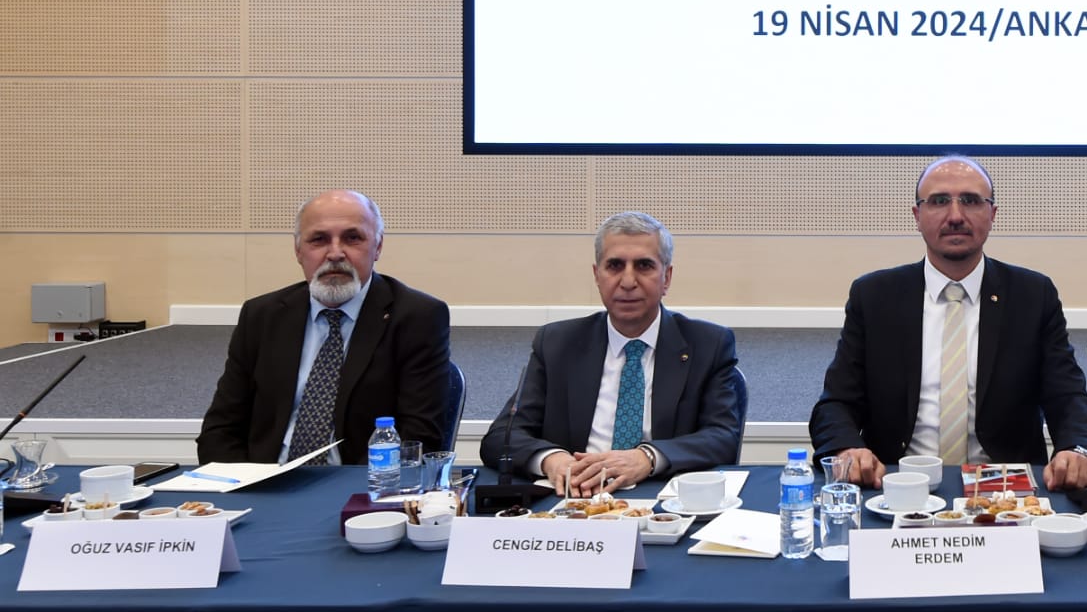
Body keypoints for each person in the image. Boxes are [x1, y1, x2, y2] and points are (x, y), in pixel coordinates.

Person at [809, 154, 1087, 490]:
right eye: (938, 201)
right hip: (898, 486)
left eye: (971, 201)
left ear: (992, 215)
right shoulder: (875, 296)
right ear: (917, 216)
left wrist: (1079, 449)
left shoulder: (1032, 295)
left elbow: (1068, 395)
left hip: (1006, 493)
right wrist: (847, 449)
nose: (955, 216)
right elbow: (836, 403)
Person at [480, 212, 743, 497]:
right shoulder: (557, 343)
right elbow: (501, 437)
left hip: (662, 499)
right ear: (597, 275)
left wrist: (647, 457)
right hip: (574, 498)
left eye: (644, 266)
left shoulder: (708, 344)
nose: (628, 281)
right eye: (615, 266)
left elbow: (722, 437)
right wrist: (552, 460)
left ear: (666, 277)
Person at [198, 190, 451, 465]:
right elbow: (220, 429)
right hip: (264, 480)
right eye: (319, 239)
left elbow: (419, 438)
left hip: (361, 482)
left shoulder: (417, 317)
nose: (335, 253)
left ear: (377, 247)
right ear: (298, 250)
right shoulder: (262, 316)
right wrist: (241, 483)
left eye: (352, 238)